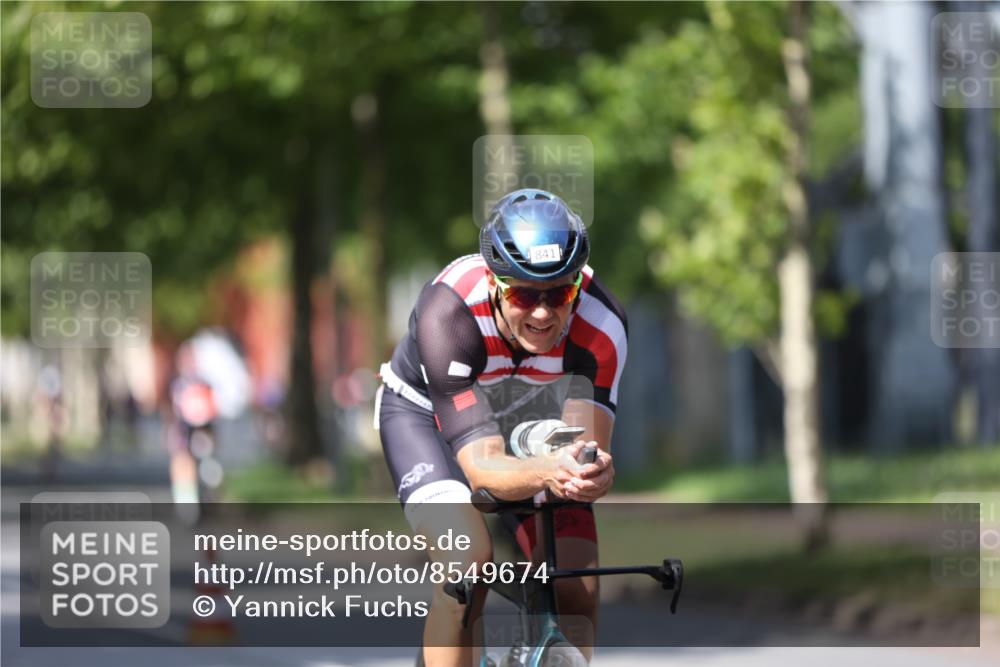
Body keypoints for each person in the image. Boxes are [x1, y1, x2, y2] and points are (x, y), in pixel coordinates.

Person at [376, 189, 627, 666]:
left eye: (559, 293)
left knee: (576, 588)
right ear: (493, 281)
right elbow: (483, 469)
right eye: (523, 293)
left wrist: (587, 472)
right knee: (467, 563)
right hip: (426, 420)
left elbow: (581, 450)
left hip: (529, 422)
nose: (542, 312)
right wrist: (548, 471)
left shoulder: (601, 325)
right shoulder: (448, 313)